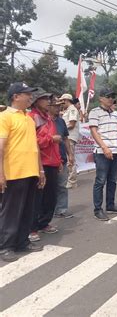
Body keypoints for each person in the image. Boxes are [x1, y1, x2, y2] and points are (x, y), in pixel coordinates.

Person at [0, 83, 45, 262]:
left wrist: (41, 169)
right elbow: (1, 147)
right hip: (13, 172)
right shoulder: (4, 116)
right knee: (10, 211)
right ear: (16, 96)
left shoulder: (28, 118)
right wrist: (0, 173)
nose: (30, 98)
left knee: (27, 209)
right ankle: (6, 246)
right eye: (27, 94)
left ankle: (22, 242)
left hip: (30, 171)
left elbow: (34, 146)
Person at [88, 88, 117, 221]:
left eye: (112, 96)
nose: (111, 99)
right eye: (108, 96)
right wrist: (104, 147)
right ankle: (98, 209)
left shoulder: (115, 113)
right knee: (100, 181)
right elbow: (94, 131)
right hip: (102, 152)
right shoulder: (94, 112)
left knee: (113, 180)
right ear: (101, 98)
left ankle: (110, 205)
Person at [28, 89, 62, 242]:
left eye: (48, 98)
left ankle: (44, 223)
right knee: (37, 198)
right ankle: (32, 227)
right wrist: (50, 139)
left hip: (52, 162)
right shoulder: (32, 117)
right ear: (35, 101)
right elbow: (32, 142)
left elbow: (55, 144)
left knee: (51, 196)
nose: (48, 101)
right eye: (44, 98)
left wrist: (59, 160)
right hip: (39, 162)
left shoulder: (49, 118)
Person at [50, 98, 75, 219]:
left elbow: (65, 138)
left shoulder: (61, 121)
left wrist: (70, 154)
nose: (58, 107)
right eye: (55, 106)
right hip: (48, 160)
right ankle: (47, 211)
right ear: (48, 107)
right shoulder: (44, 121)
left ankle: (61, 209)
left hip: (62, 158)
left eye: (59, 105)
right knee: (48, 188)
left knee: (62, 185)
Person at [60, 93, 80, 189]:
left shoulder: (72, 110)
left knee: (70, 159)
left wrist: (60, 129)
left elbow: (71, 124)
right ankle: (69, 179)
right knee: (67, 159)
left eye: (62, 101)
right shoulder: (67, 110)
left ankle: (72, 181)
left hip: (70, 137)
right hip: (66, 137)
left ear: (66, 100)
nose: (61, 103)